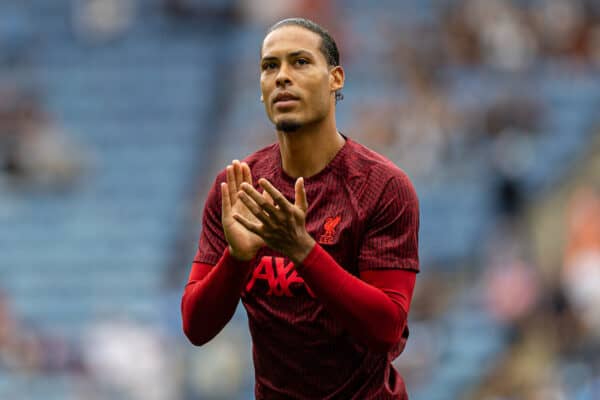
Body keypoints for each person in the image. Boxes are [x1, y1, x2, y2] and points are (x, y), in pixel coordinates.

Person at [181, 17, 420, 399]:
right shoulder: (237, 188)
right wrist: (237, 257)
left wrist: (303, 250)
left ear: (336, 78)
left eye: (301, 62)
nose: (282, 77)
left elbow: (386, 328)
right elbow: (196, 326)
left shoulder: (383, 187)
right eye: (269, 66)